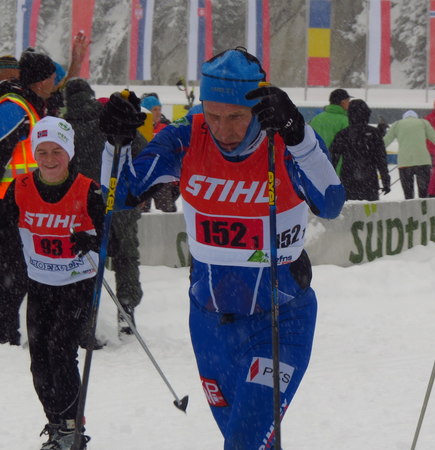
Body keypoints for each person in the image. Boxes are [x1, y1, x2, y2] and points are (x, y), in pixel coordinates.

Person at [98, 48, 344, 449]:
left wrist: (299, 135)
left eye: (236, 117)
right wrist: (116, 142)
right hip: (210, 325)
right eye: (213, 115)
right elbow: (121, 194)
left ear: (257, 108)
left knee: (244, 443)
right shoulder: (188, 134)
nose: (222, 129)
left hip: (279, 321)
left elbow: (331, 202)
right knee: (248, 439)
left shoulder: (285, 138)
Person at [0, 116, 103, 449]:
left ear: (69, 152)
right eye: (42, 151)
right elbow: (5, 228)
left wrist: (91, 241)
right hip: (40, 282)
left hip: (77, 283)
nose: (49, 159)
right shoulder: (20, 187)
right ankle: (56, 423)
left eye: (56, 151)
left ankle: (73, 429)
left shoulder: (88, 189)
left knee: (61, 352)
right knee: (40, 360)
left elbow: (110, 241)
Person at [63, 78, 146, 339]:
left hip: (85, 205)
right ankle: (126, 310)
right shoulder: (111, 118)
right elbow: (143, 150)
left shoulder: (66, 127)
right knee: (126, 257)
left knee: (87, 259)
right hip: (120, 199)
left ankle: (88, 319)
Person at [0, 49, 58, 346]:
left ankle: (7, 333)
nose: (55, 82)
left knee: (18, 273)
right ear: (41, 80)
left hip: (20, 204)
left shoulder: (32, 105)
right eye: (53, 76)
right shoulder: (16, 107)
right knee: (13, 274)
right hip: (6, 205)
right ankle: (5, 335)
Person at [329, 99, 391, 201]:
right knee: (370, 210)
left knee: (350, 210)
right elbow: (381, 160)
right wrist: (386, 181)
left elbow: (332, 159)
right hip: (370, 182)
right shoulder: (374, 134)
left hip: (348, 181)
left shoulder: (343, 134)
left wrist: (329, 182)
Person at [383, 110, 435, 199]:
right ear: (416, 117)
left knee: (408, 196)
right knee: (424, 195)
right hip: (423, 162)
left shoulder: (397, 124)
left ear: (404, 118)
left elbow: (385, 142)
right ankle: (423, 206)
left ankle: (410, 206)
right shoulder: (423, 123)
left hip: (405, 163)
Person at [139, 93, 179, 213]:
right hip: (143, 176)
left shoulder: (166, 127)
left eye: (159, 109)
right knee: (142, 212)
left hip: (162, 176)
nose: (158, 113)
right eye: (154, 110)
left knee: (167, 211)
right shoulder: (138, 127)